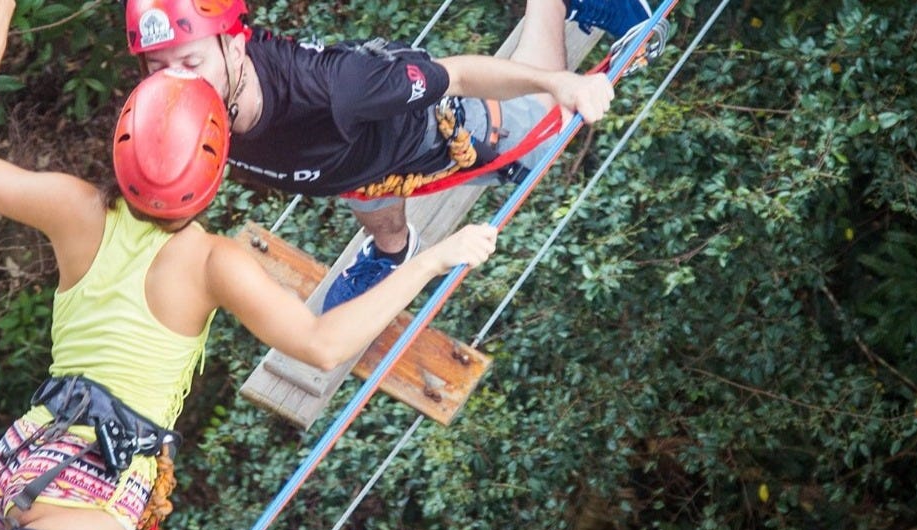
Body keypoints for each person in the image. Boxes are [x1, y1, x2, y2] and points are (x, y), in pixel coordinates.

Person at [0, 0, 499, 530]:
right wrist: (435, 259)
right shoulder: (213, 262)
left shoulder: (75, 208)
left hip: (20, 457)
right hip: (89, 490)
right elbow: (320, 343)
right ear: (218, 166)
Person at [127, 0, 660, 310]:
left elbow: (460, 74)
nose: (177, 79)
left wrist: (562, 84)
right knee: (354, 181)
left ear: (234, 45)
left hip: (430, 129)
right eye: (158, 66)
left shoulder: (341, 90)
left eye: (192, 60)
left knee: (539, 137)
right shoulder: (163, 116)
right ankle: (392, 250)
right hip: (355, 165)